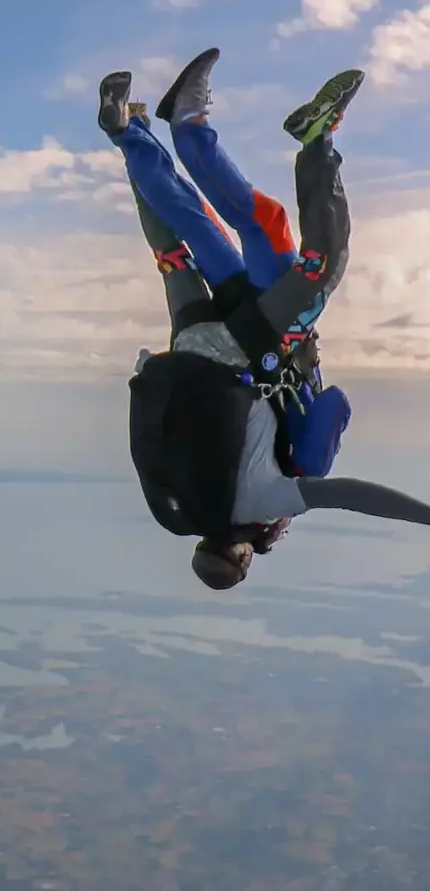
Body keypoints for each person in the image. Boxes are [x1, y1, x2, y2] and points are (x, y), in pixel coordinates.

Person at [98, 47, 430, 590]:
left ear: (244, 557)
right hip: (187, 344)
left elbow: (349, 495)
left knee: (321, 265)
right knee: (187, 243)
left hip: (249, 348)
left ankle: (315, 139)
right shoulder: (176, 505)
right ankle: (133, 131)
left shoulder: (262, 505)